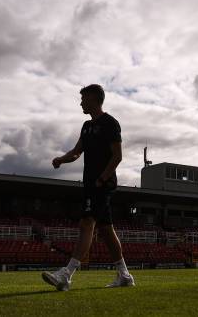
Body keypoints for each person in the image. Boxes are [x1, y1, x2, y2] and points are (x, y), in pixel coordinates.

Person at [42, 84, 135, 291]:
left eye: (83, 98)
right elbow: (76, 152)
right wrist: (61, 160)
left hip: (102, 184)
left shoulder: (110, 123)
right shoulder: (86, 126)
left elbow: (117, 156)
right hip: (91, 184)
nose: (81, 102)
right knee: (107, 230)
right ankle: (125, 275)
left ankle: (66, 275)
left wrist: (102, 180)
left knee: (86, 223)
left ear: (94, 99)